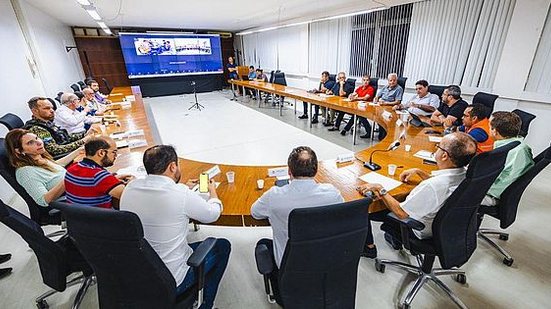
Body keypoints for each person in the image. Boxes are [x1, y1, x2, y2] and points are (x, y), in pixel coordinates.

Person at [120, 145, 230, 308]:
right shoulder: (181, 194)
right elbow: (212, 214)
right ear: (172, 166)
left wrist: (184, 188)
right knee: (222, 246)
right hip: (171, 280)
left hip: (138, 273)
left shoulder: (130, 188)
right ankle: (205, 304)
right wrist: (212, 191)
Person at [357, 132, 477, 257]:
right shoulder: (465, 173)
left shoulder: (432, 186)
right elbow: (441, 183)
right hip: (447, 227)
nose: (436, 148)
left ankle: (368, 248)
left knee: (366, 208)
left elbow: (401, 213)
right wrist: (419, 171)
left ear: (444, 156)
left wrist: (380, 189)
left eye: (438, 146)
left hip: (418, 229)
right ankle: (393, 241)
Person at [251, 146, 344, 301]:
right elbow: (340, 210)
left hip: (290, 266)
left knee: (264, 244)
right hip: (325, 260)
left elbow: (255, 212)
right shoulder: (331, 193)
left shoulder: (274, 196)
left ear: (289, 171)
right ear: (316, 170)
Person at [5, 129, 82, 207]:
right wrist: (69, 177)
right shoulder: (25, 172)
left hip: (77, 186)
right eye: (30, 143)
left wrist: (79, 150)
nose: (39, 142)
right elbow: (43, 200)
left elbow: (56, 166)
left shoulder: (38, 157)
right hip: (75, 197)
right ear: (19, 151)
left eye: (37, 138)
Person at [64, 137, 133, 209]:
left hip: (78, 217)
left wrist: (113, 178)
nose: (116, 156)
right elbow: (128, 197)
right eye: (114, 152)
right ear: (101, 153)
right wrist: (132, 182)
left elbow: (90, 184)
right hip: (103, 218)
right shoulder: (99, 176)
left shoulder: (71, 169)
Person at [482, 111, 534, 206]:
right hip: (499, 190)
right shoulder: (519, 145)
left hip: (491, 194)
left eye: (489, 126)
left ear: (495, 131)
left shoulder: (506, 152)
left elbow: (486, 178)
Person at [24, 96, 95, 158]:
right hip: (63, 158)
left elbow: (64, 137)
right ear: (35, 111)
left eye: (52, 108)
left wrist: (84, 135)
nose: (52, 111)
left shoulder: (48, 122)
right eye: (47, 108)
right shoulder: (37, 128)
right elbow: (55, 150)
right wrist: (82, 141)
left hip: (68, 151)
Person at [373, 73, 404, 140]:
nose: (392, 82)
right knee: (377, 117)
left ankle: (385, 136)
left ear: (396, 80)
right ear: (388, 81)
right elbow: (378, 96)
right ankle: (382, 133)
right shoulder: (385, 87)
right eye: (390, 80)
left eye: (394, 80)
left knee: (384, 120)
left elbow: (398, 101)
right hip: (381, 106)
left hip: (390, 108)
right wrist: (376, 99)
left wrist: (386, 103)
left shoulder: (399, 89)